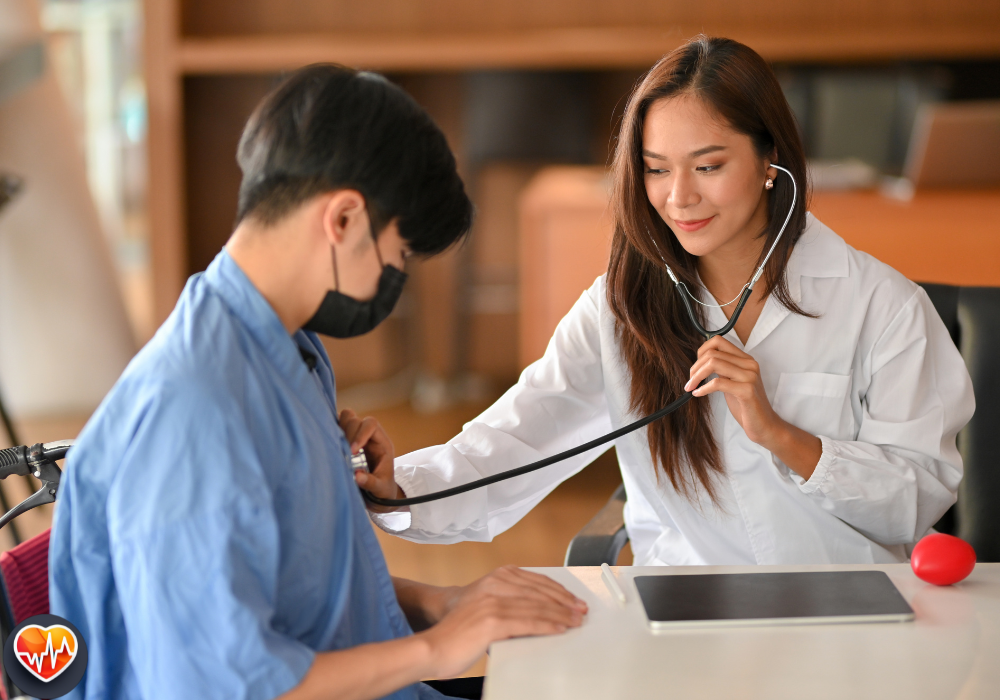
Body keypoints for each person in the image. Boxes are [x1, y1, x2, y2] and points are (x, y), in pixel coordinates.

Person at [48, 65, 587, 700]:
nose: (395, 276)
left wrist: (447, 605)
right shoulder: (194, 410)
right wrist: (438, 648)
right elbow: (223, 685)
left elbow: (310, 604)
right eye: (400, 254)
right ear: (344, 219)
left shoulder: (285, 347)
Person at [354, 36, 976, 567]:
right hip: (685, 621)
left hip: (847, 616)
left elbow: (919, 497)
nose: (679, 198)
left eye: (708, 166)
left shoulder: (883, 305)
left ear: (770, 160)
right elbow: (515, 441)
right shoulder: (619, 311)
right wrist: (397, 486)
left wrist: (781, 435)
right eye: (656, 169)